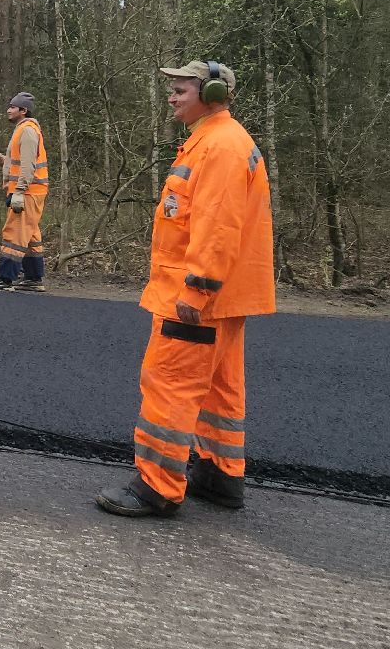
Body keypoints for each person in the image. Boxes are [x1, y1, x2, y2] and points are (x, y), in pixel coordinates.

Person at [97, 60, 275, 518]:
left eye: (180, 90)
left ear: (211, 94)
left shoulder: (220, 148)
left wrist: (196, 291)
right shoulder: (214, 142)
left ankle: (156, 486)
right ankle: (220, 475)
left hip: (198, 297)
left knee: (170, 383)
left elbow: (218, 228)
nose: (172, 98)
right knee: (219, 388)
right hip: (222, 298)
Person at [0, 92, 48, 292]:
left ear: (23, 110)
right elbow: (14, 164)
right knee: (30, 236)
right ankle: (33, 278)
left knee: (15, 235)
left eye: (12, 107)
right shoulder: (22, 130)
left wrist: (19, 191)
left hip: (27, 193)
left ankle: (5, 280)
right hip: (31, 191)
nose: (8, 110)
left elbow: (28, 166)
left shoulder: (27, 131)